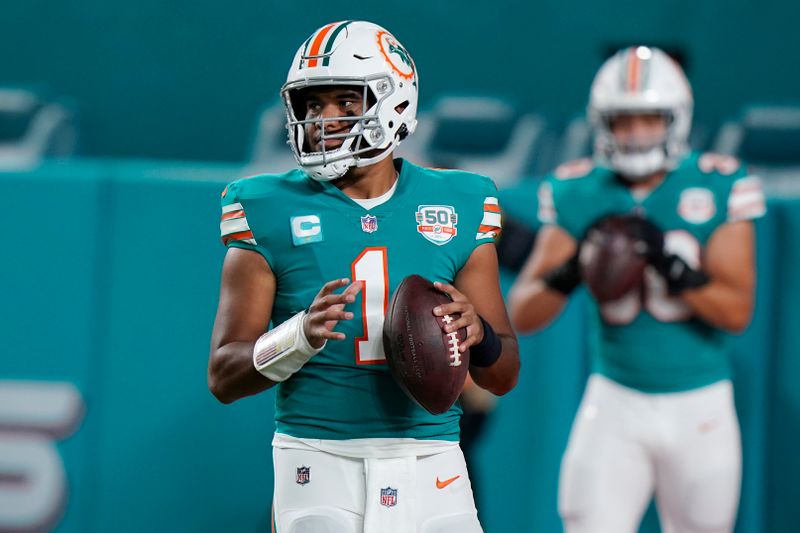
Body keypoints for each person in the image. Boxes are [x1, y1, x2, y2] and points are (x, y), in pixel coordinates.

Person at [207, 20, 520, 533]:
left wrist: (479, 335)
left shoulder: (461, 201)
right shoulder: (263, 205)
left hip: (433, 459)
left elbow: (503, 374)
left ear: (396, 104)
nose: (323, 119)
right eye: (311, 105)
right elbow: (223, 376)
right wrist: (297, 337)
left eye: (345, 104)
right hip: (317, 458)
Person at [508, 46, 766, 533]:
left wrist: (673, 268)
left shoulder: (720, 184)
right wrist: (573, 270)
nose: (635, 133)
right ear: (602, 124)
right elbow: (523, 312)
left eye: (649, 119)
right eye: (622, 121)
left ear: (676, 119)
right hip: (615, 400)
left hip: (700, 404)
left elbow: (736, 313)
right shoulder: (577, 191)